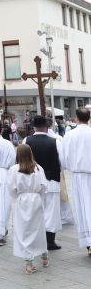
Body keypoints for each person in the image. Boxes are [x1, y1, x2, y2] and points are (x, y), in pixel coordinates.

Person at [7, 144, 48, 274]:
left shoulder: (14, 169)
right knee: (38, 229)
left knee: (24, 231)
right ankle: (44, 255)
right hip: (36, 199)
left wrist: (19, 196)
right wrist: (38, 196)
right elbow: (44, 186)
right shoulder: (38, 168)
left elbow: (11, 188)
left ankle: (29, 263)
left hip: (22, 200)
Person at [24, 115, 62, 250]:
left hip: (33, 181)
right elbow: (62, 162)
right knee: (51, 211)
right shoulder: (55, 141)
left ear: (34, 127)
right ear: (47, 126)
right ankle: (50, 241)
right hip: (51, 180)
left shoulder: (27, 140)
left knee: (35, 211)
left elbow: (23, 160)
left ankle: (35, 239)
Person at [59, 107, 91, 255]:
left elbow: (63, 157)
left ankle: (88, 242)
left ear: (76, 118)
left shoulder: (70, 135)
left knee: (83, 208)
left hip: (78, 176)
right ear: (89, 118)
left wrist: (68, 166)